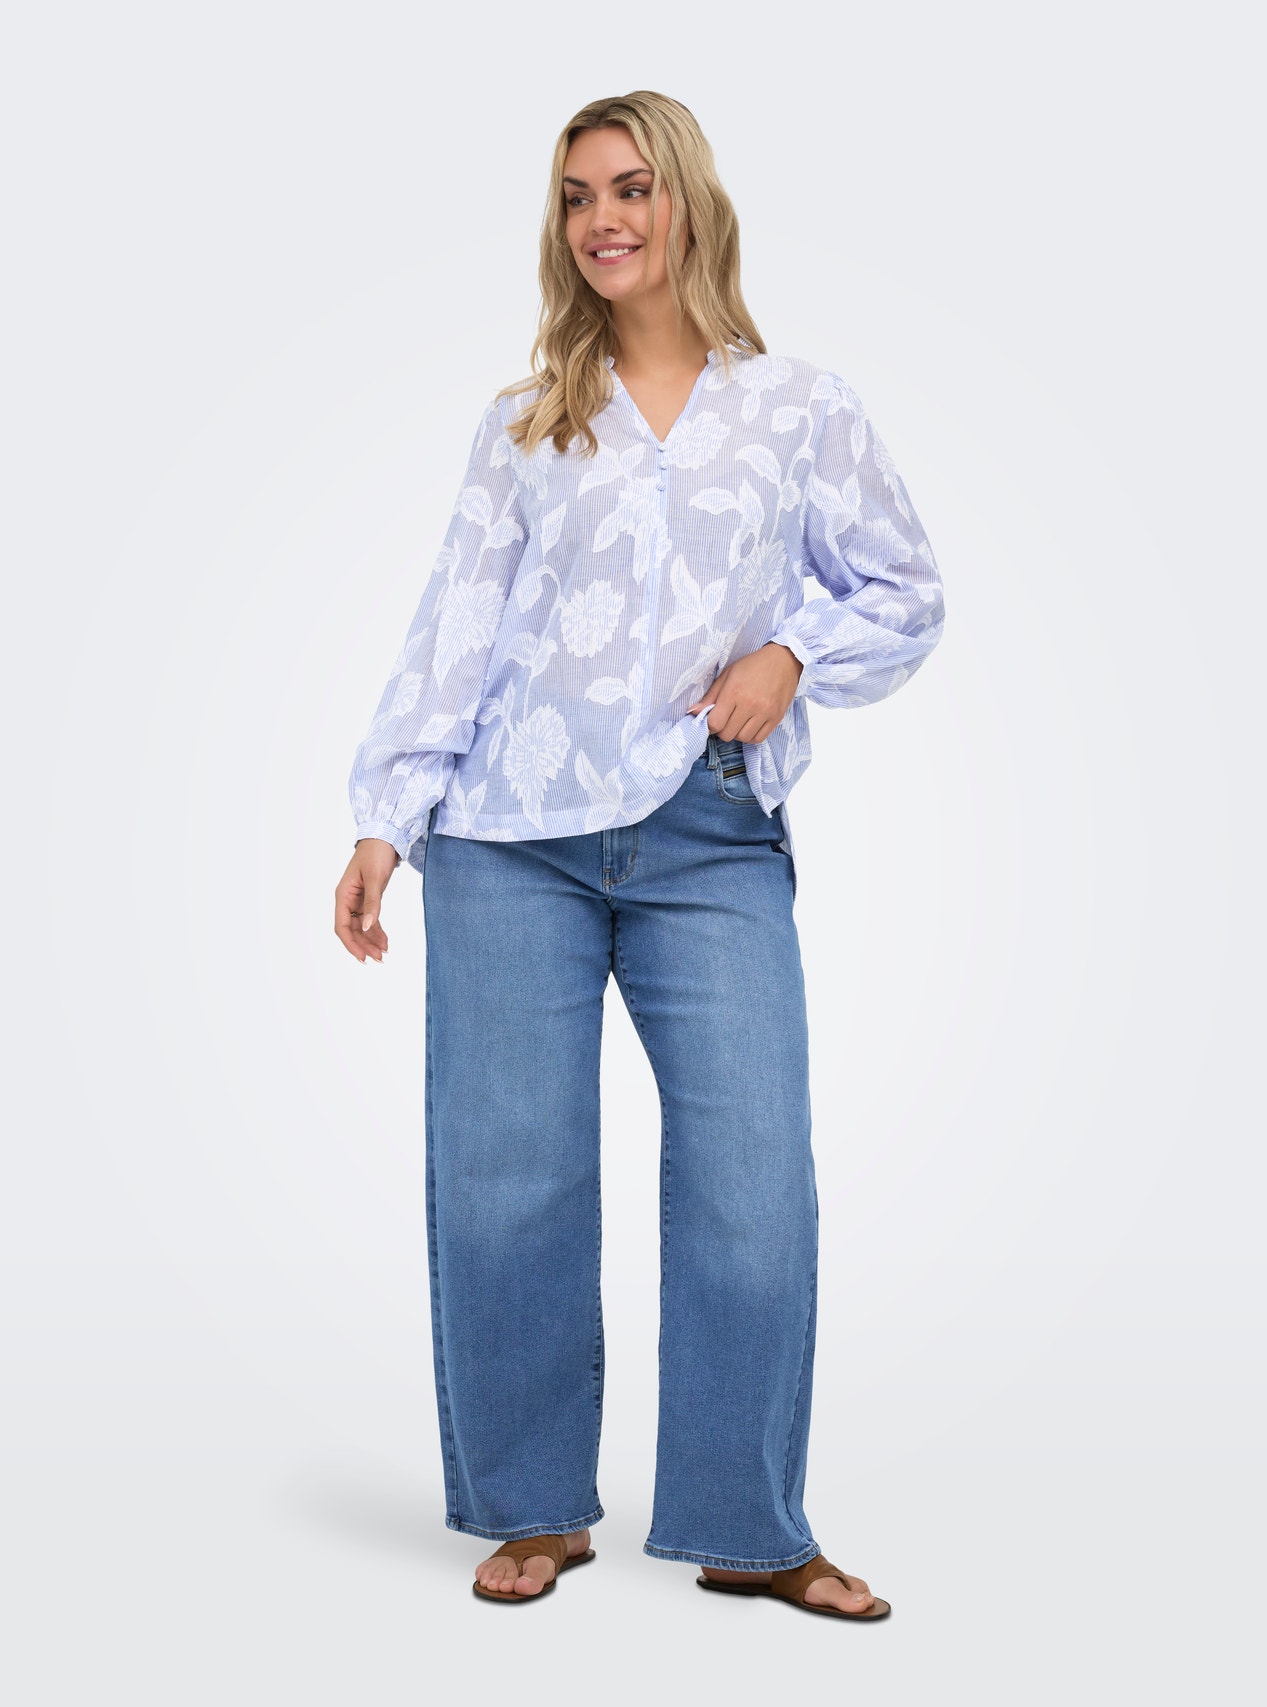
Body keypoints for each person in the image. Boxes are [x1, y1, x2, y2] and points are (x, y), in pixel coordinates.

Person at [334, 91, 943, 1619]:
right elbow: (458, 625)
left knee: (753, 1177)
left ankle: (751, 1525)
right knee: (511, 1181)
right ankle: (533, 1508)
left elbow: (903, 588)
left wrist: (792, 655)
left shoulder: (799, 407)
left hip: (709, 833)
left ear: (687, 202)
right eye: (576, 197)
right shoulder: (526, 422)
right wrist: (386, 816)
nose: (602, 219)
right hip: (510, 837)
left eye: (628, 187)